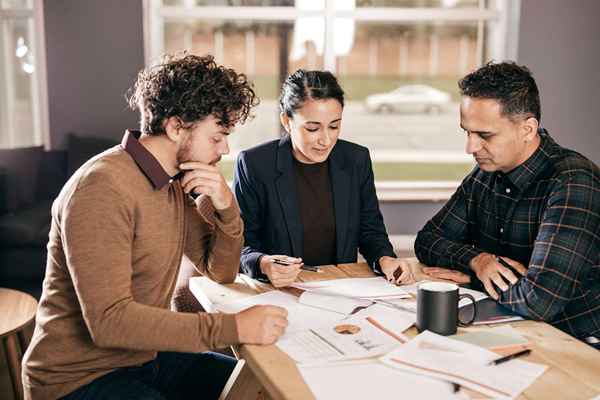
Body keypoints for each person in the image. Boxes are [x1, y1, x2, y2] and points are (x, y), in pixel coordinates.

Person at [21, 54, 289, 400]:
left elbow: (220, 271)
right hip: (77, 379)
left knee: (259, 387)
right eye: (217, 136)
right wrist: (232, 327)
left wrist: (226, 206)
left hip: (143, 357)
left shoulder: (172, 183)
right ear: (177, 127)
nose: (225, 148)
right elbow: (110, 322)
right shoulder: (101, 188)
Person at [412, 61, 599, 348]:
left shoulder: (573, 182)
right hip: (516, 330)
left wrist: (471, 279)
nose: (470, 148)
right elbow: (428, 240)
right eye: (467, 132)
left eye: (485, 135)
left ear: (527, 129)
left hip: (577, 346)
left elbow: (537, 302)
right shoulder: (486, 174)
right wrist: (479, 261)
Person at [233, 69, 407, 288]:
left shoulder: (356, 160)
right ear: (286, 121)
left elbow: (370, 230)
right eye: (313, 128)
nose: (326, 140)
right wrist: (264, 263)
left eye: (334, 126)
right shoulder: (254, 165)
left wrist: (385, 258)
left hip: (341, 289)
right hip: (278, 291)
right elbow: (240, 246)